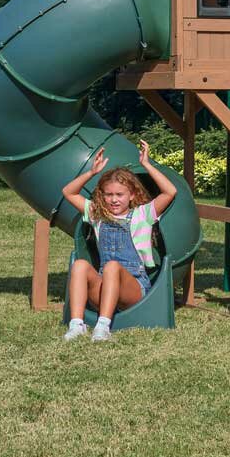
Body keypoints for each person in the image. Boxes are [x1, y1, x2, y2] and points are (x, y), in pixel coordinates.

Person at [60, 141, 177, 341]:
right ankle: (76, 325)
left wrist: (147, 164)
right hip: (104, 287)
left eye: (120, 195)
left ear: (131, 195)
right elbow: (68, 192)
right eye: (109, 195)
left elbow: (170, 192)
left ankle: (103, 326)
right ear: (102, 196)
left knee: (112, 266)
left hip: (134, 289)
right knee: (80, 265)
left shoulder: (142, 215)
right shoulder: (97, 215)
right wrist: (91, 172)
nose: (114, 200)